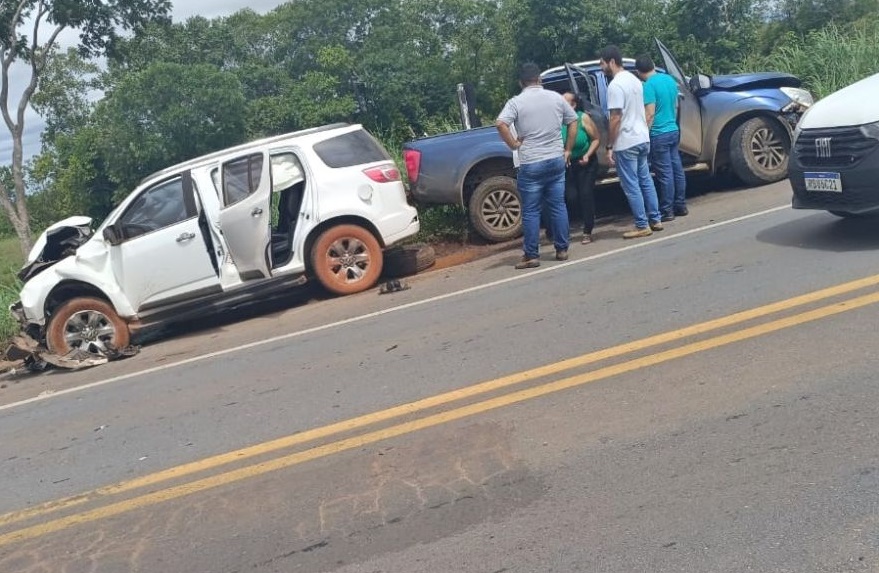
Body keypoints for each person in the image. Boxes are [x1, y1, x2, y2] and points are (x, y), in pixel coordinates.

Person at [496, 62, 578, 269]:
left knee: (532, 210)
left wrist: (514, 144)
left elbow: (501, 123)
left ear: (520, 82)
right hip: (555, 160)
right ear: (540, 79)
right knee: (558, 205)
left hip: (531, 162)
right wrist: (567, 149)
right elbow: (573, 121)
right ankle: (562, 249)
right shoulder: (555, 98)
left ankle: (531, 255)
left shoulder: (516, 102)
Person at [599, 45, 662, 239]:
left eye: (602, 63)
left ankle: (642, 224)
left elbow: (615, 118)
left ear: (611, 62)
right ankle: (655, 218)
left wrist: (609, 145)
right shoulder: (635, 81)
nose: (602, 68)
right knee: (645, 179)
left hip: (626, 141)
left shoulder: (615, 86)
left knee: (631, 184)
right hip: (642, 136)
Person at [636, 54, 688, 221]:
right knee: (677, 169)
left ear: (638, 72)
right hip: (673, 129)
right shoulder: (669, 80)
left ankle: (667, 210)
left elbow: (649, 113)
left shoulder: (648, 86)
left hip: (658, 133)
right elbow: (676, 104)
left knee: (665, 174)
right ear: (652, 65)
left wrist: (645, 133)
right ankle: (681, 205)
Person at [561, 92, 601, 244]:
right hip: (569, 164)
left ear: (573, 105)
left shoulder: (582, 118)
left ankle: (587, 230)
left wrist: (588, 155)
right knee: (570, 196)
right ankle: (571, 226)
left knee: (585, 194)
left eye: (565, 102)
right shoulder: (558, 121)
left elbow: (596, 139)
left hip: (586, 162)